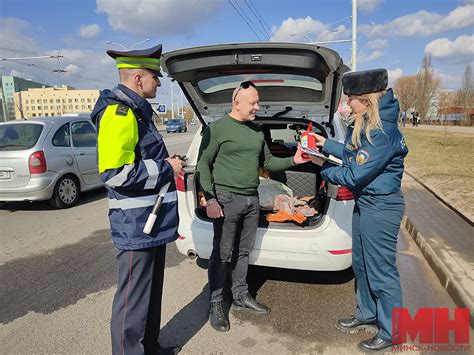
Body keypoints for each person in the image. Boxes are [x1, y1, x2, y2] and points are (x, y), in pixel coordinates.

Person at [91, 44, 184, 355]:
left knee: (148, 296)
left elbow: (141, 160)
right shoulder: (119, 113)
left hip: (150, 223)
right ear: (138, 78)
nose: (159, 82)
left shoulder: (137, 113)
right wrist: (166, 167)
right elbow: (116, 174)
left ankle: (149, 348)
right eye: (156, 76)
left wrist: (164, 163)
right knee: (132, 303)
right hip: (135, 228)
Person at [309, 69, 408, 352]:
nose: (347, 102)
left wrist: (323, 168)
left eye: (351, 98)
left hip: (381, 207)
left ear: (367, 100)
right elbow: (355, 154)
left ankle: (393, 331)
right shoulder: (371, 125)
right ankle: (366, 313)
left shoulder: (382, 132)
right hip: (367, 203)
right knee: (362, 264)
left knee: (382, 272)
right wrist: (325, 144)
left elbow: (354, 175)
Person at [197, 80, 308, 332]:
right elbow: (204, 164)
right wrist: (210, 198)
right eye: (253, 102)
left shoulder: (257, 132)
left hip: (251, 199)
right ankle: (215, 302)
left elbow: (268, 162)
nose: (258, 106)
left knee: (244, 251)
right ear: (236, 103)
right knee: (222, 254)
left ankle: (240, 296)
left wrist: (295, 159)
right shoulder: (217, 129)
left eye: (258, 102)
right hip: (226, 199)